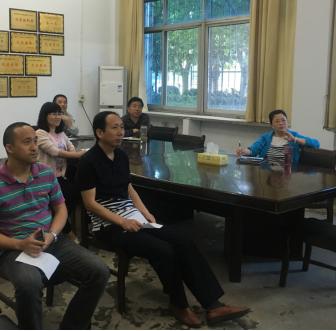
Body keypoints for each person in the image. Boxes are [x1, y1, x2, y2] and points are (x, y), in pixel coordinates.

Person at [76, 112, 251, 328]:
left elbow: (129, 188)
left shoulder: (120, 155)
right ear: (99, 132)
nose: (121, 132)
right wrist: (122, 222)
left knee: (184, 243)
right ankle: (179, 304)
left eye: (121, 126)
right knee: (163, 251)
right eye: (115, 128)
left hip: (133, 217)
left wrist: (145, 212)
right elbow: (90, 204)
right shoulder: (88, 162)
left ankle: (213, 305)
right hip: (109, 226)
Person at [0, 123, 110, 330]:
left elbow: (61, 210)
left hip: (51, 241)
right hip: (14, 249)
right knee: (29, 284)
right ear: (9, 148)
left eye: (35, 141)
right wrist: (19, 244)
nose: (34, 147)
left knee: (99, 271)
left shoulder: (46, 173)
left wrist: (52, 235)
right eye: (26, 142)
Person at [36, 102, 86, 243]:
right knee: (72, 192)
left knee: (79, 188)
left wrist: (72, 151)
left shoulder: (61, 133)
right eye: (54, 114)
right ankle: (65, 229)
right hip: (45, 177)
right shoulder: (40, 133)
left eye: (59, 114)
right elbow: (53, 151)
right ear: (45, 116)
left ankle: (58, 223)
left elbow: (70, 145)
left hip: (59, 176)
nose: (58, 117)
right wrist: (76, 155)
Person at [236, 110, 320, 165]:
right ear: (271, 125)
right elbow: (253, 150)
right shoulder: (266, 137)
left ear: (287, 122)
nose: (281, 123)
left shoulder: (294, 136)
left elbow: (316, 144)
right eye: (277, 121)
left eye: (283, 120)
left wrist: (295, 139)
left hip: (287, 174)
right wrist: (243, 151)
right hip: (267, 172)